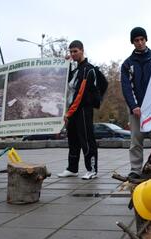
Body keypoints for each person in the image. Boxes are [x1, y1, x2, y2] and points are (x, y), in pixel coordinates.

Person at [121, 27, 151, 180]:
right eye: (136, 40)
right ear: (132, 42)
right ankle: (135, 169)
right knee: (135, 141)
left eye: (142, 39)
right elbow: (126, 87)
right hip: (136, 109)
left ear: (146, 40)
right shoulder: (127, 64)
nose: (139, 43)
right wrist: (134, 106)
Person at [57, 40, 99, 180]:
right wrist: (66, 64)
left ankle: (92, 169)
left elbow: (80, 94)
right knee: (73, 140)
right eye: (71, 51)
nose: (73, 54)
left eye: (75, 51)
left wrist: (69, 112)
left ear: (82, 50)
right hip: (72, 110)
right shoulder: (75, 70)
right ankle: (72, 168)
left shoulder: (89, 69)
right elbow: (66, 86)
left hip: (83, 110)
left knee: (86, 140)